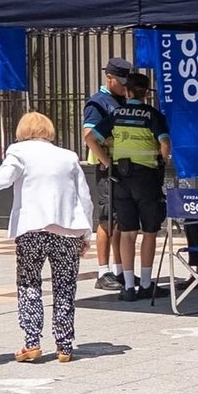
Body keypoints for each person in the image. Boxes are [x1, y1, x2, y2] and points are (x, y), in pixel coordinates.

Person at [0, 112, 94, 363]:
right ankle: (65, 345)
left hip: (31, 229)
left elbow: (1, 180)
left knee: (29, 284)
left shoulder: (19, 151)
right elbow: (84, 197)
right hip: (67, 230)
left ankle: (32, 343)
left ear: (23, 130)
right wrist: (86, 232)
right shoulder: (68, 157)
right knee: (65, 287)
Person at [97, 70, 171, 302]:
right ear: (146, 93)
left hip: (121, 177)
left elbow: (90, 136)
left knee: (127, 232)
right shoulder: (152, 115)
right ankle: (147, 284)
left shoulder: (116, 114)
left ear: (127, 91)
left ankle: (129, 287)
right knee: (149, 232)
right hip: (147, 178)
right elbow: (165, 142)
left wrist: (106, 160)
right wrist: (162, 160)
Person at [82, 57, 131, 292]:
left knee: (121, 220)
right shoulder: (98, 103)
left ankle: (120, 269)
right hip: (107, 169)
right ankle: (103, 271)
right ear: (109, 78)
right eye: (121, 82)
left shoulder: (124, 99)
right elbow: (89, 134)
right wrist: (106, 161)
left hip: (126, 167)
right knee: (107, 220)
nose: (124, 86)